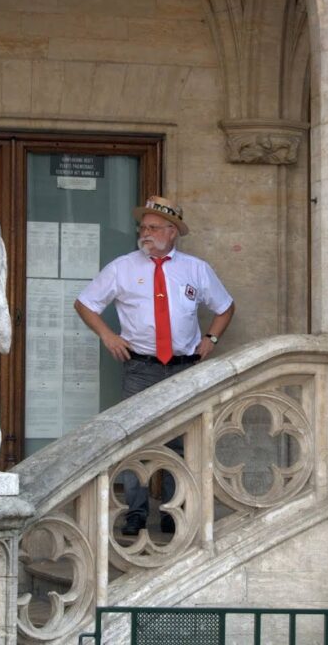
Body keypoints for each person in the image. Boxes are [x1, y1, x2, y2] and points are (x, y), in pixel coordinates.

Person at [74, 195, 235, 535]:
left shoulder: (195, 269)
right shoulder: (122, 267)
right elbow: (85, 303)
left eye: (152, 227)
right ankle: (135, 511)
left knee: (183, 441)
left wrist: (212, 340)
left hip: (184, 369)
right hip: (141, 368)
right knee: (136, 441)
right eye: (142, 227)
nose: (144, 233)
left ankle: (174, 512)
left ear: (172, 232)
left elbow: (225, 307)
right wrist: (108, 336)